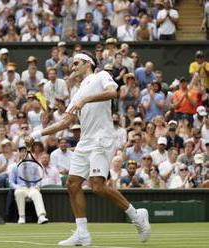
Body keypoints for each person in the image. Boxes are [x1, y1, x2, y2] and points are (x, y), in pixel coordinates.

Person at [26, 50, 150, 246]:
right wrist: (36, 134)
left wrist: (86, 99)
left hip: (102, 139)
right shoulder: (76, 92)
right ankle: (82, 233)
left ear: (88, 64)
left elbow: (113, 93)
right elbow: (67, 121)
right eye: (73, 64)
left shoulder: (101, 76)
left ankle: (137, 216)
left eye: (77, 63)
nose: (73, 67)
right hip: (85, 141)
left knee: (97, 186)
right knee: (72, 184)